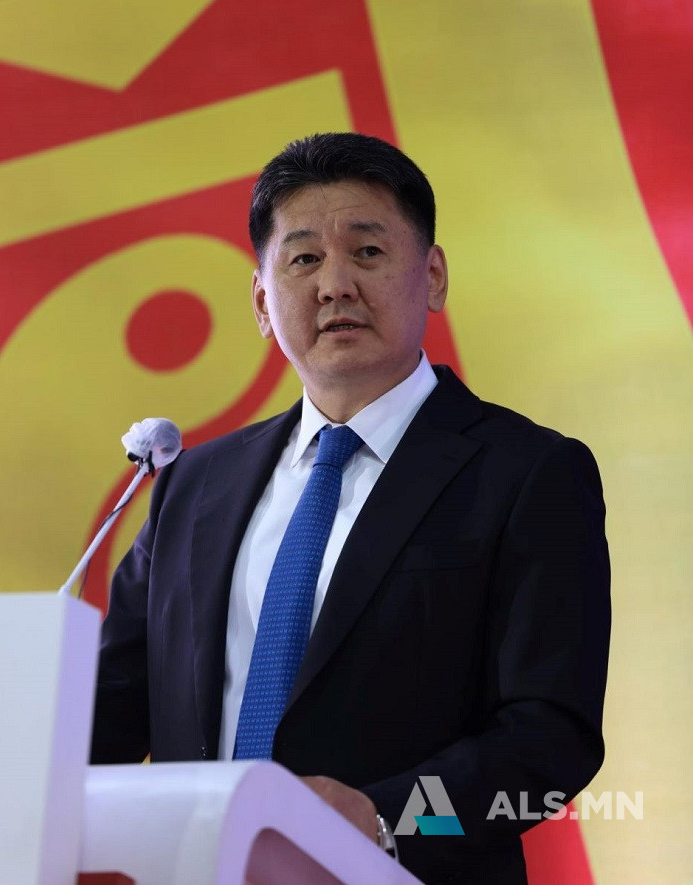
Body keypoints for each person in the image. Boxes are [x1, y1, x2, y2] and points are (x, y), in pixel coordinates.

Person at [91, 132, 611, 884]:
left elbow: (548, 745)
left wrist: (388, 818)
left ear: (433, 277)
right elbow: (108, 713)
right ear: (262, 301)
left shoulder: (527, 473)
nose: (335, 284)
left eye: (367, 252)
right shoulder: (192, 486)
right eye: (303, 259)